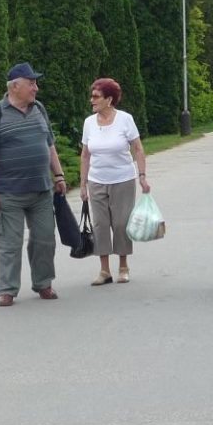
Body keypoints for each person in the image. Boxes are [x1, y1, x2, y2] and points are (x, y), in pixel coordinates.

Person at [0, 62, 67, 307]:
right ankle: (6, 289)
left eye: (35, 83)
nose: (36, 88)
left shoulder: (39, 109)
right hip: (8, 194)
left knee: (45, 239)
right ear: (15, 86)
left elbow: (49, 145)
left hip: (41, 191)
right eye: (31, 83)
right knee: (9, 244)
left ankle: (43, 283)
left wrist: (58, 176)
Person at [80, 78, 150, 285]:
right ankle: (104, 271)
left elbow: (137, 148)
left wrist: (142, 175)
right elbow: (85, 155)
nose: (91, 100)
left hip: (122, 179)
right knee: (101, 224)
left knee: (120, 223)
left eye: (96, 96)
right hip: (97, 180)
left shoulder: (125, 119)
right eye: (91, 95)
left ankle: (123, 266)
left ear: (109, 99)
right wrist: (83, 183)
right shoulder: (89, 122)